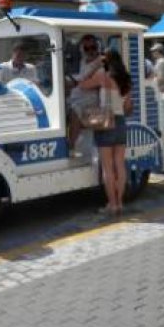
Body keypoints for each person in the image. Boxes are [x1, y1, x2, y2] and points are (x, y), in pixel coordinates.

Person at [79, 49, 132, 217]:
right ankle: (120, 203)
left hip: (106, 123)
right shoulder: (126, 78)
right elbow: (128, 105)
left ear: (106, 60)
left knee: (107, 168)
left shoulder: (103, 75)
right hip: (121, 122)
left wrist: (95, 66)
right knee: (120, 165)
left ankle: (112, 204)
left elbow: (82, 84)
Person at [68, 34, 104, 152]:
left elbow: (86, 81)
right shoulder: (83, 61)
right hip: (76, 97)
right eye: (87, 48)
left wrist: (76, 82)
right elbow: (81, 80)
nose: (90, 51)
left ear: (97, 46)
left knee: (75, 110)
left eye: (93, 47)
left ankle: (71, 147)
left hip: (91, 100)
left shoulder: (101, 62)